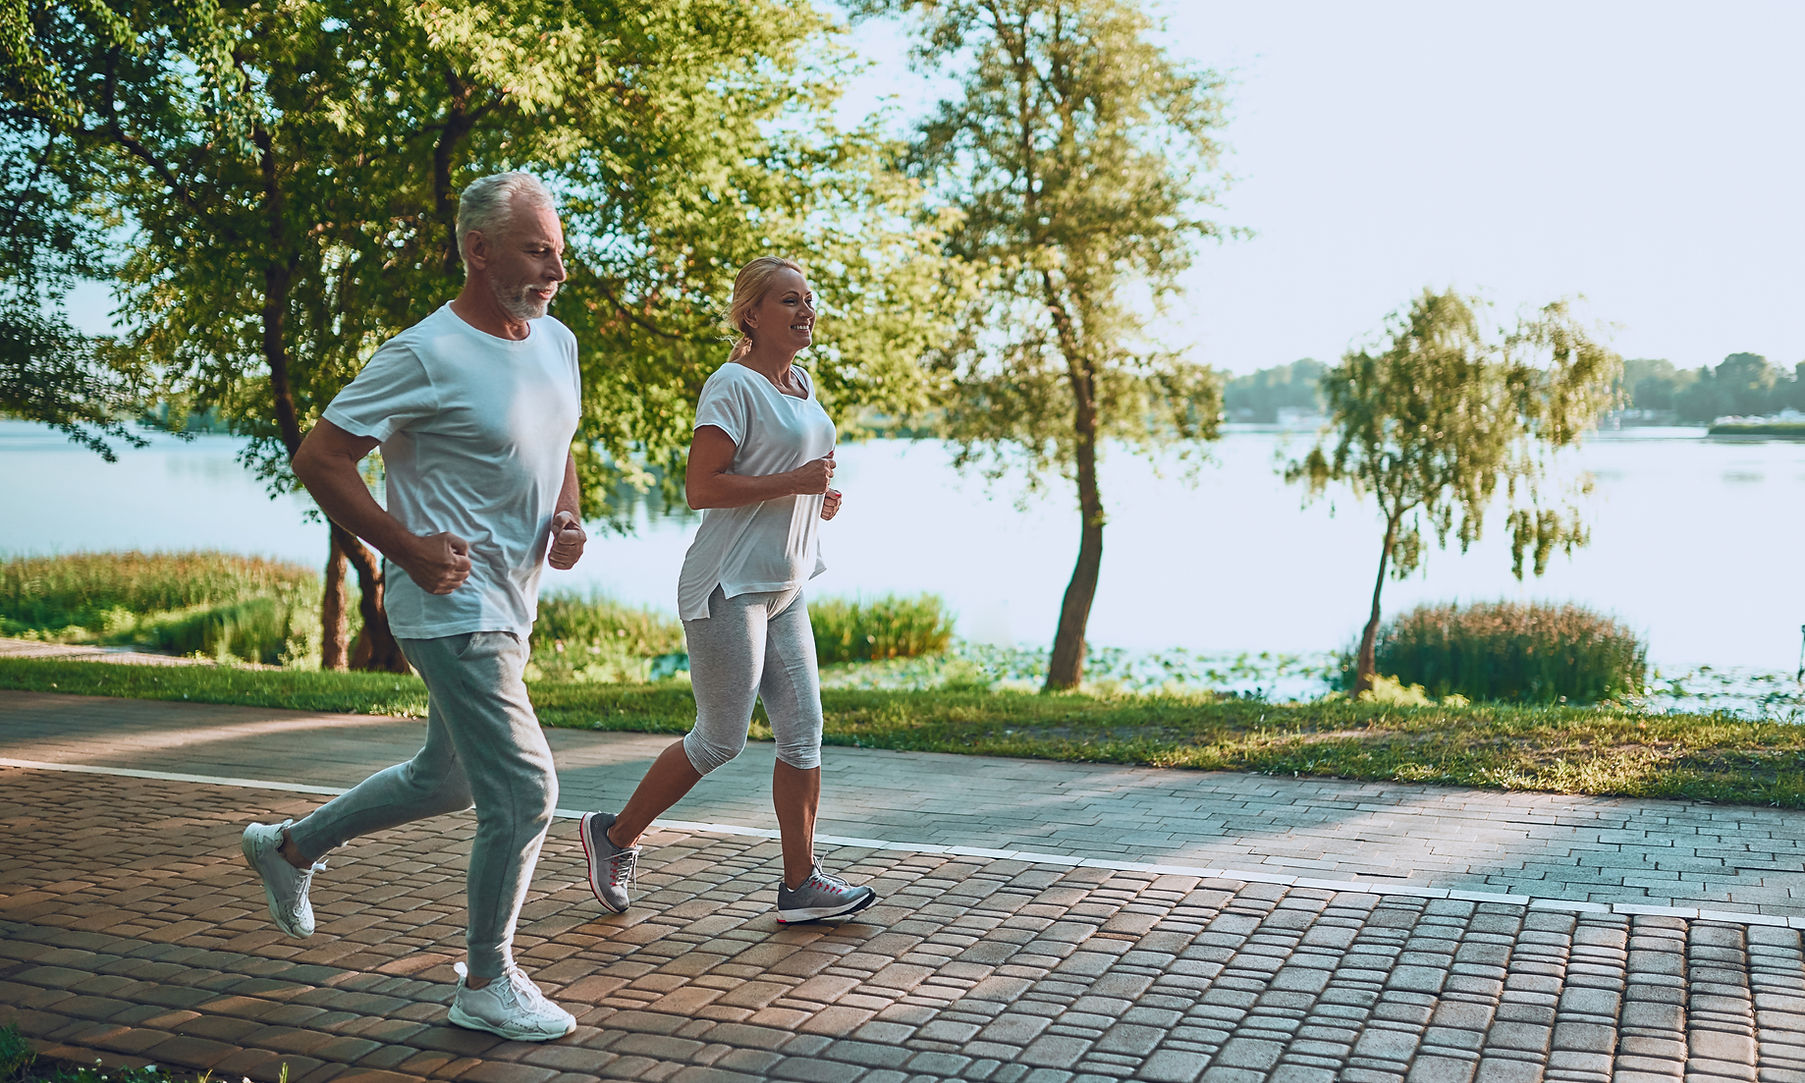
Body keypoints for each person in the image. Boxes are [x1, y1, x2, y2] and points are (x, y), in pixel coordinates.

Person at [240, 172, 586, 1042]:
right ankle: (485, 976)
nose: (557, 269)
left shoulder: (555, 341)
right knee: (525, 788)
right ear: (479, 250)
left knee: (449, 778)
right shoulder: (423, 353)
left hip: (512, 599)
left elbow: (560, 436)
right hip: (447, 604)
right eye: (538, 250)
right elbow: (321, 457)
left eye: (558, 249)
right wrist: (405, 547)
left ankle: (288, 848)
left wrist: (568, 514)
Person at [578, 256, 876, 926]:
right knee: (720, 738)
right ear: (751, 314)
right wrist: (792, 483)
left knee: (804, 735)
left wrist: (816, 497)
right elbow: (700, 488)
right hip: (727, 586)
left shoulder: (801, 383)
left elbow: (788, 473)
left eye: (809, 298)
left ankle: (800, 884)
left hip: (786, 583)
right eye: (788, 300)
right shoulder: (730, 385)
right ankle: (612, 835)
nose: (805, 310)